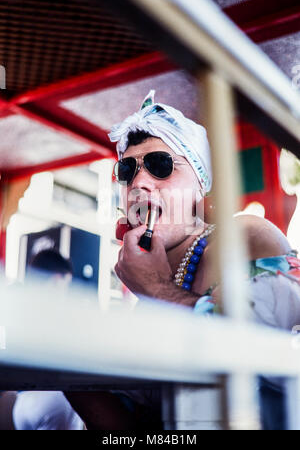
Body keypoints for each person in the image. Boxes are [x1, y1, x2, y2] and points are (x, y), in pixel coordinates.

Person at [66, 91, 300, 430]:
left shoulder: (244, 235)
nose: (140, 182)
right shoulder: (145, 282)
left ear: (200, 186)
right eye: (127, 169)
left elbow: (281, 352)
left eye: (161, 165)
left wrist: (158, 290)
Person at [12, 249, 84, 431]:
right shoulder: (51, 312)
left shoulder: (12, 300)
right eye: (65, 286)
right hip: (47, 401)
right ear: (56, 280)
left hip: (18, 403)